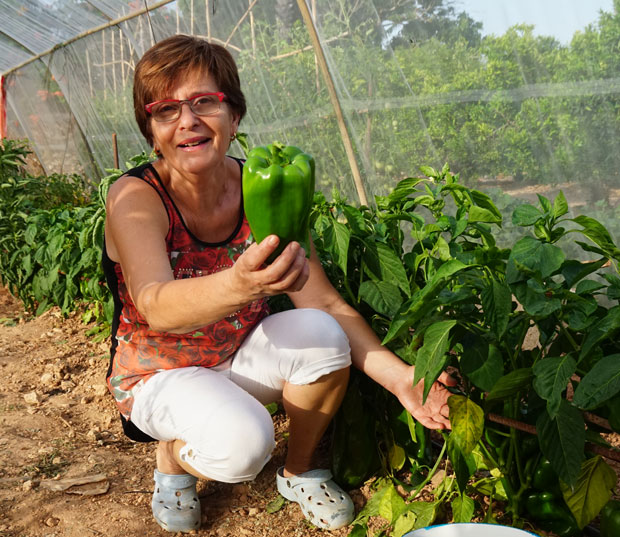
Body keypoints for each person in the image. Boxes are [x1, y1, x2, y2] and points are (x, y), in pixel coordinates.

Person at [103, 34, 456, 533]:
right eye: (166, 110)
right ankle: (173, 458)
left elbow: (325, 302)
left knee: (321, 333)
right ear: (152, 131)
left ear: (234, 115)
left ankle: (300, 469)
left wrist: (402, 379)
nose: (187, 120)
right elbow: (156, 305)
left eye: (205, 101)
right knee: (245, 447)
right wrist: (240, 284)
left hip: (236, 354)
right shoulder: (135, 197)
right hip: (159, 374)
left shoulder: (264, 184)